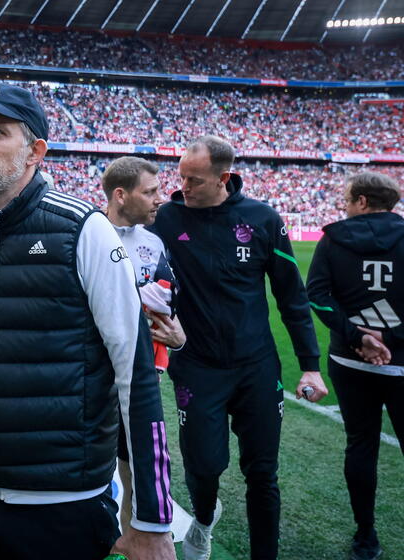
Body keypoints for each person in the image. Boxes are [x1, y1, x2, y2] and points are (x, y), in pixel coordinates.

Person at [0, 84, 174, 560]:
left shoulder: (84, 231)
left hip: (63, 504)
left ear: (35, 152)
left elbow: (136, 374)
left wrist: (152, 517)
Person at [151, 135, 328, 560]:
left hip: (257, 367)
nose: (183, 187)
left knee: (263, 473)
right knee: (204, 466)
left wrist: (310, 365)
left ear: (224, 178)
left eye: (193, 180)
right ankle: (205, 520)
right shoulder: (167, 218)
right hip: (196, 366)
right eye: (180, 177)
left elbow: (291, 296)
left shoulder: (263, 219)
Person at [305, 172, 404, 560]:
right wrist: (390, 340)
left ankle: (366, 537)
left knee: (360, 445)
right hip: (401, 363)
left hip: (350, 361)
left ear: (363, 201)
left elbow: (316, 295)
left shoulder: (333, 238)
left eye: (348, 198)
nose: (344, 204)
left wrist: (357, 336)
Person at [102, 156, 187, 531]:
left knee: (135, 455)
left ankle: (130, 534)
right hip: (92, 369)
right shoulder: (85, 234)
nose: (159, 199)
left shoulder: (153, 242)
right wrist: (140, 297)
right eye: (150, 191)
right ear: (120, 195)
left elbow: (170, 297)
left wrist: (178, 337)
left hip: (140, 372)